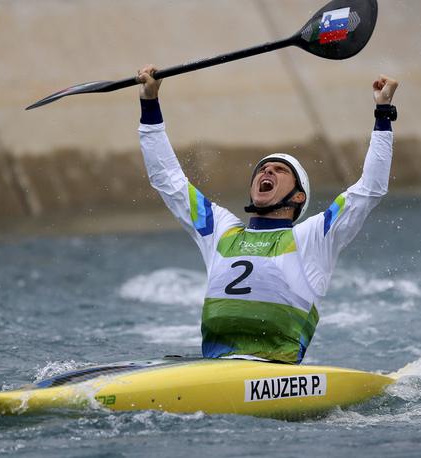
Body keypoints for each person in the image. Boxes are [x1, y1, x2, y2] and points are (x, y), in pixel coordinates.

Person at [136, 65, 398, 364]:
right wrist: (149, 103)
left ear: (299, 197)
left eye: (280, 170)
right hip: (214, 368)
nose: (267, 170)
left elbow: (369, 190)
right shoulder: (219, 230)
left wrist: (383, 112)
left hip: (275, 371)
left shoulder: (312, 237)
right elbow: (168, 179)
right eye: (262, 168)